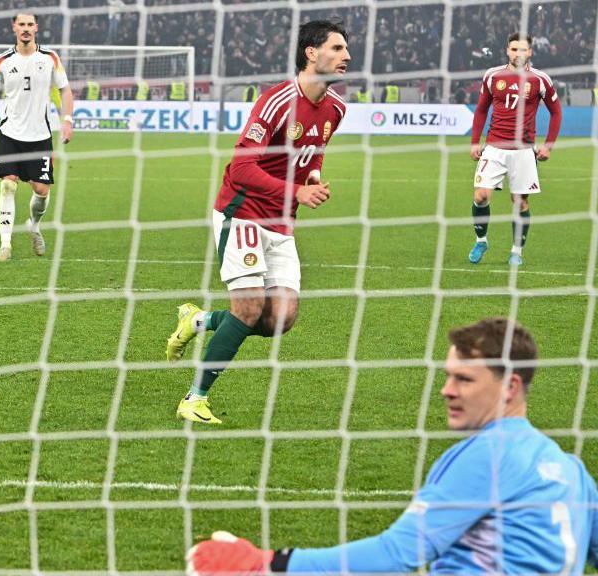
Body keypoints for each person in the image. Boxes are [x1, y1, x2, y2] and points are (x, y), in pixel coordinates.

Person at [187, 317, 598, 575]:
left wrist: (270, 564)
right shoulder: (569, 469)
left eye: (464, 379)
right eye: (448, 375)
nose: (445, 390)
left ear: (509, 387)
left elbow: (398, 553)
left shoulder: (492, 456)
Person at [166, 20, 348, 424]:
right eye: (336, 48)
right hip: (242, 211)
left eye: (345, 49)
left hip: (281, 222)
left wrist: (313, 177)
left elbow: (313, 153)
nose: (346, 56)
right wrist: (296, 191)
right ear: (311, 53)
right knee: (248, 308)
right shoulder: (277, 101)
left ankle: (198, 321)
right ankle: (194, 399)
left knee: (279, 318)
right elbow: (242, 167)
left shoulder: (336, 108)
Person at [0, 12, 74, 262]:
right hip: (10, 133)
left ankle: (34, 226)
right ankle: (5, 245)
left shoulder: (50, 58)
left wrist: (67, 121)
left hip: (39, 136)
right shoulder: (3, 60)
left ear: (36, 27)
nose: (25, 29)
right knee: (8, 184)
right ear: (14, 28)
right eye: (21, 24)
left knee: (41, 191)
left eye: (30, 24)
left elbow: (65, 91)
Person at [469, 33, 562, 266]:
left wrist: (548, 146)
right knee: (480, 196)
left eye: (522, 50)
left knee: (520, 203)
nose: (517, 54)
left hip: (523, 150)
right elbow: (481, 110)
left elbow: (556, 112)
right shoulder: (493, 76)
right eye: (513, 49)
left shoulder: (540, 79)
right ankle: (481, 240)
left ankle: (516, 251)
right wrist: (474, 142)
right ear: (507, 51)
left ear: (530, 52)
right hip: (494, 147)